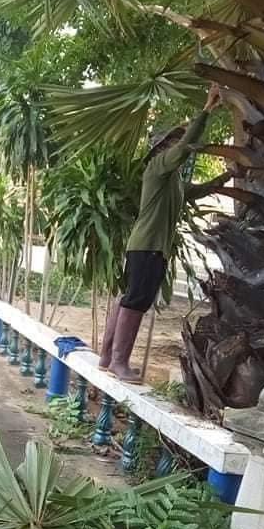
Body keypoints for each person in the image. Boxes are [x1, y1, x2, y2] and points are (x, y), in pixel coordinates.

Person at [99, 85, 224, 382]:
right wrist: (206, 109)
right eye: (174, 142)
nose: (180, 148)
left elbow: (197, 190)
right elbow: (185, 147)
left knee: (129, 297)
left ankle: (107, 357)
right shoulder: (158, 166)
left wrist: (229, 175)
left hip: (146, 246)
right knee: (136, 300)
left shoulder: (172, 180)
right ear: (162, 148)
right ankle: (119, 361)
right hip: (149, 246)